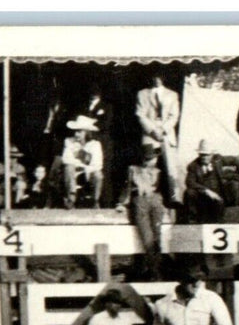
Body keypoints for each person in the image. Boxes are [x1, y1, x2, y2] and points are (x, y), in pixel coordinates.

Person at [116, 145, 167, 280]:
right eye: (151, 159)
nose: (154, 161)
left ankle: (154, 269)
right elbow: (127, 187)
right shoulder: (133, 170)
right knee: (147, 236)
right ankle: (155, 271)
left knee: (157, 236)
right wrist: (122, 203)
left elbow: (164, 190)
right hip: (141, 201)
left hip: (156, 201)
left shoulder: (158, 172)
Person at [135, 73, 182, 203]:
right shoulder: (142, 94)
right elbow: (140, 115)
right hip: (150, 134)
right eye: (154, 77)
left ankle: (173, 199)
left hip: (166, 134)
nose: (157, 80)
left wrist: (164, 129)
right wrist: (153, 130)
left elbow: (174, 115)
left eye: (159, 77)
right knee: (149, 165)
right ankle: (147, 196)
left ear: (163, 78)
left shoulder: (172, 95)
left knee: (170, 166)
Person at [184, 139, 239, 223]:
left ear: (212, 154)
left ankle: (221, 219)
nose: (204, 157)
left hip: (219, 195)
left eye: (207, 155)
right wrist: (207, 191)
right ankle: (192, 220)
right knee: (189, 192)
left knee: (219, 208)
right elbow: (190, 182)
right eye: (202, 155)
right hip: (202, 197)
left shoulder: (218, 160)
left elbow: (235, 160)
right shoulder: (193, 166)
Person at [76, 82, 114, 206]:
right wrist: (93, 122)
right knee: (84, 168)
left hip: (103, 144)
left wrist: (90, 123)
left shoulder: (106, 107)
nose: (93, 93)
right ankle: (88, 201)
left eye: (96, 91)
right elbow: (78, 121)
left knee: (103, 172)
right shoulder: (83, 106)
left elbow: (105, 124)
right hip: (87, 143)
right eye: (91, 91)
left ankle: (105, 203)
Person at [59, 115, 104, 209]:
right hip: (74, 173)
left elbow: (97, 164)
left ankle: (95, 201)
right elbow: (66, 159)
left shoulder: (95, 145)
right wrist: (83, 162)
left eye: (79, 131)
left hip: (88, 173)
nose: (76, 134)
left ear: (87, 132)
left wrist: (80, 155)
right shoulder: (69, 141)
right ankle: (71, 199)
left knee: (98, 175)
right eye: (75, 131)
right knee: (69, 167)